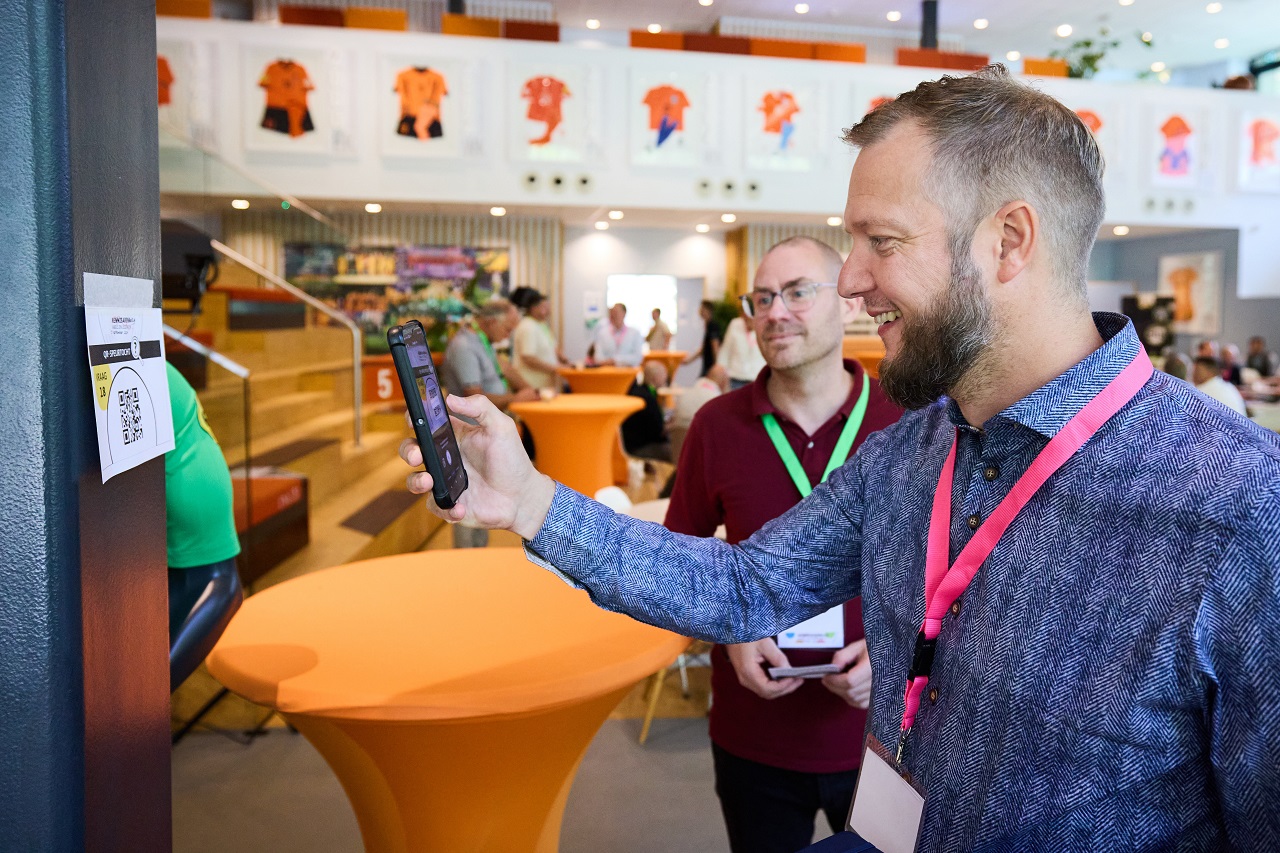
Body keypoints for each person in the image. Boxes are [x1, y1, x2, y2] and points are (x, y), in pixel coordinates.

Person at [401, 66, 1280, 850]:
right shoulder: (913, 451)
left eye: (881, 242)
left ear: (1010, 241)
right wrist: (530, 501)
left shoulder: (1242, 507)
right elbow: (745, 586)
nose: (850, 281)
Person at [667, 236, 903, 853]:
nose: (776, 312)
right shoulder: (716, 426)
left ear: (848, 302)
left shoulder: (909, 420)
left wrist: (894, 657)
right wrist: (729, 632)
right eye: (763, 298)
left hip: (886, 736)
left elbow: (963, 572)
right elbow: (679, 563)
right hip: (755, 732)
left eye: (798, 292)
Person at [165, 362, 243, 691]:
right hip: (192, 473)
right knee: (211, 582)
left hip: (189, 478)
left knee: (214, 582)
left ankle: (138, 707)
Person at [439, 297, 538, 547]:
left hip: (480, 434)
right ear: (492, 321)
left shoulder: (483, 342)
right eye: (507, 329)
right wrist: (515, 398)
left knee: (482, 502)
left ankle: (479, 554)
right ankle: (466, 559)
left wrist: (529, 390)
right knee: (465, 502)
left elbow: (505, 370)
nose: (508, 335)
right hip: (465, 436)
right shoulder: (464, 345)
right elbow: (473, 396)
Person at [511, 290, 566, 390]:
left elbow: (553, 347)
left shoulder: (541, 325)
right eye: (544, 307)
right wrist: (556, 368)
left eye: (548, 307)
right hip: (531, 385)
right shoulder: (528, 326)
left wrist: (564, 361)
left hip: (545, 384)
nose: (547, 311)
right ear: (533, 308)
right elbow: (528, 358)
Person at [621, 361, 671, 462]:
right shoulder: (648, 398)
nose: (666, 378)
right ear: (656, 377)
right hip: (641, 448)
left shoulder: (638, 392)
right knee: (678, 451)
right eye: (664, 374)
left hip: (631, 444)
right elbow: (658, 430)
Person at [718, 305, 767, 390]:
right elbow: (725, 350)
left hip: (756, 378)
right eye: (746, 318)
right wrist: (721, 370)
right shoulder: (735, 324)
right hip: (736, 377)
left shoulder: (764, 326)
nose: (748, 322)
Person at [685, 300, 724, 377]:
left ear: (708, 311)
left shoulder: (712, 326)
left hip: (710, 367)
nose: (700, 311)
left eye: (702, 309)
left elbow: (715, 347)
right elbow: (703, 349)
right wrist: (688, 360)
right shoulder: (707, 326)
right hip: (707, 366)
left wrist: (717, 367)